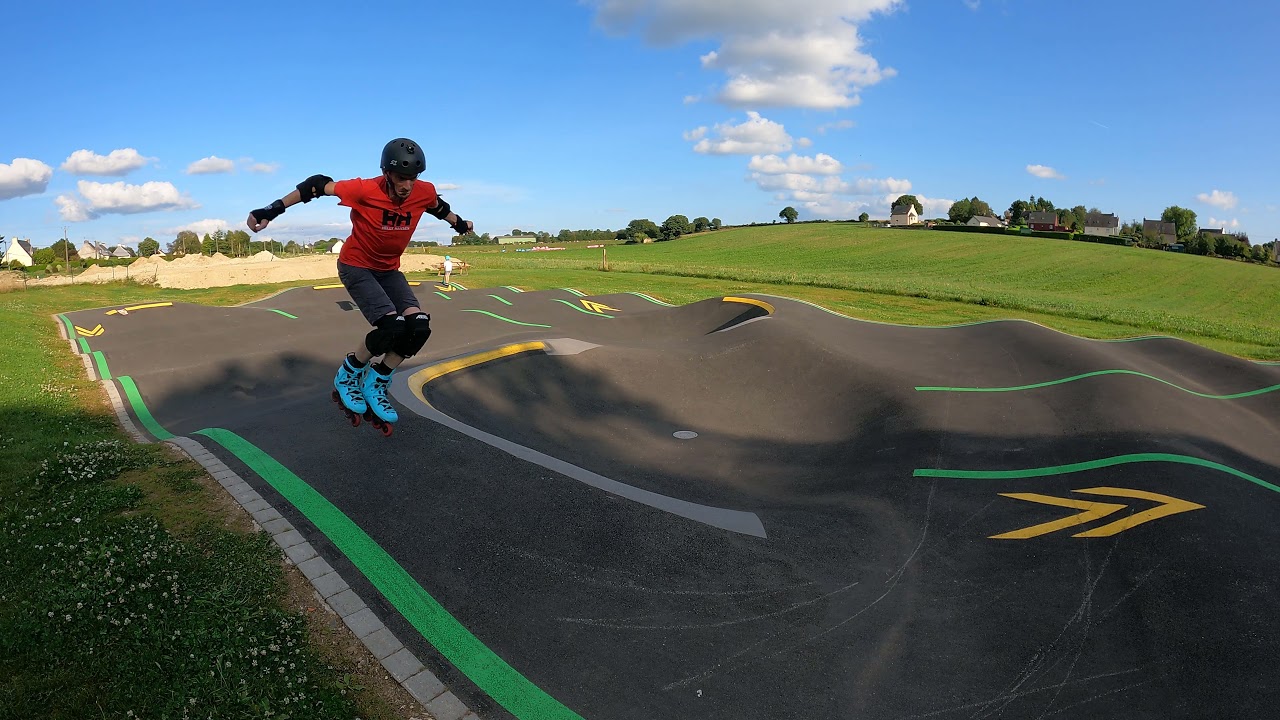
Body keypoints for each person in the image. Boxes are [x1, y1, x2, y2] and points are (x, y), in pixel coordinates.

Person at [245, 138, 473, 425]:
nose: (407, 186)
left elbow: (438, 207)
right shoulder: (364, 189)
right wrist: (271, 210)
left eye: (412, 179)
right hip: (356, 266)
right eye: (401, 179)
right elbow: (315, 185)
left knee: (418, 328)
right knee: (391, 327)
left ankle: (376, 381)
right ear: (387, 173)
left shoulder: (422, 191)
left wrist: (460, 223)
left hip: (389, 270)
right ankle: (349, 374)